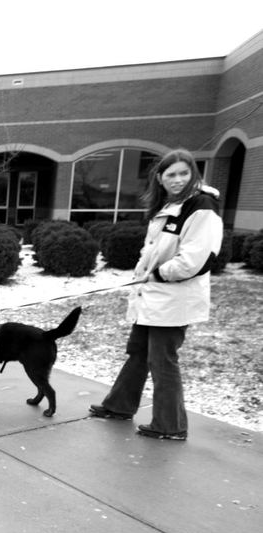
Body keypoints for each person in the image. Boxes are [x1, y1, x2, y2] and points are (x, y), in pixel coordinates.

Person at [89, 149, 223, 440]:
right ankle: (119, 406)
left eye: (183, 173)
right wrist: (143, 275)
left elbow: (196, 259)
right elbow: (153, 249)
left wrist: (160, 273)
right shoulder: (169, 206)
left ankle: (170, 425)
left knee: (163, 360)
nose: (177, 180)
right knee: (138, 352)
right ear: (160, 178)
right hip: (152, 296)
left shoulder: (201, 207)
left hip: (174, 299)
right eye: (170, 174)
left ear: (194, 175)